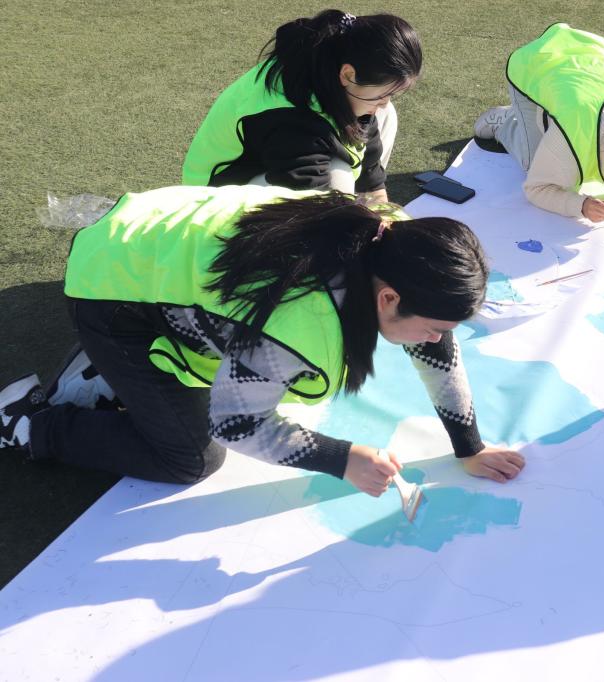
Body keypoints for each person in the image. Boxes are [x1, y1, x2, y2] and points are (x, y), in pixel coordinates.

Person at [0, 185, 525, 493]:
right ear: (388, 298)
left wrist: (469, 447)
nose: (435, 340)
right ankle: (26, 421)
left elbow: (437, 352)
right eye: (434, 326)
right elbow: (235, 423)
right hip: (110, 290)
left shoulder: (396, 242)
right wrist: (340, 458)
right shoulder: (299, 325)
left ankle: (112, 371)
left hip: (147, 235)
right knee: (190, 459)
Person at [473, 23, 604, 236]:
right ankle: (507, 121)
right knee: (533, 164)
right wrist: (580, 205)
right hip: (536, 65)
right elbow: (537, 188)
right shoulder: (574, 133)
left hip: (589, 58)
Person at [181, 10, 421, 202]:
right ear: (348, 74)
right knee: (336, 178)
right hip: (215, 199)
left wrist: (377, 201)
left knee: (385, 114)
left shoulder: (331, 65)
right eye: (383, 94)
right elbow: (309, 199)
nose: (384, 102)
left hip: (277, 161)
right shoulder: (288, 117)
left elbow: (370, 170)